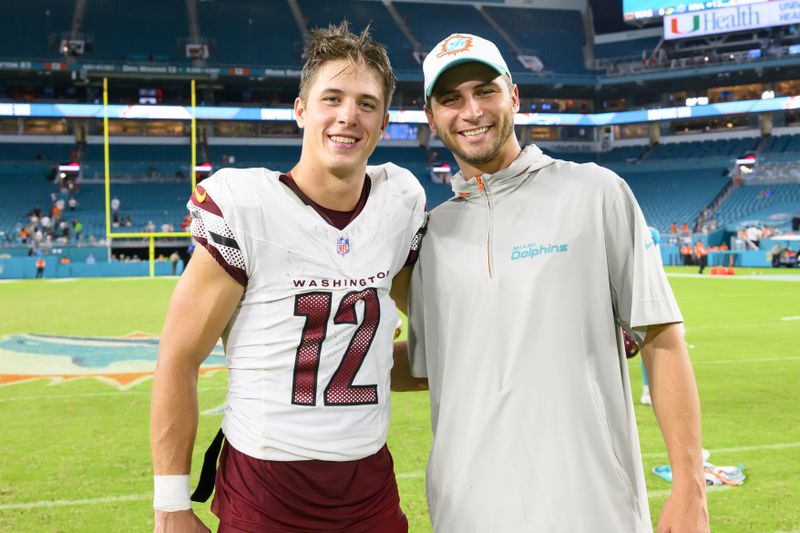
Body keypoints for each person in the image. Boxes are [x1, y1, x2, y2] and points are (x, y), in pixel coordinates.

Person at [405, 33, 708, 532]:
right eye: (451, 99)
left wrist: (690, 486)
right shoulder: (432, 236)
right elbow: (427, 366)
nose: (472, 111)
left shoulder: (596, 193)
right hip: (465, 514)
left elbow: (660, 336)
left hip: (589, 509)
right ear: (431, 116)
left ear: (514, 96)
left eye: (486, 91)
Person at [150, 22, 426, 533]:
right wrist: (170, 504)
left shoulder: (399, 203)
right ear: (301, 109)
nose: (348, 115)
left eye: (366, 104)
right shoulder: (249, 207)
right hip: (266, 487)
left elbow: (429, 341)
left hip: (369, 484)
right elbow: (178, 356)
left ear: (384, 123)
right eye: (332, 98)